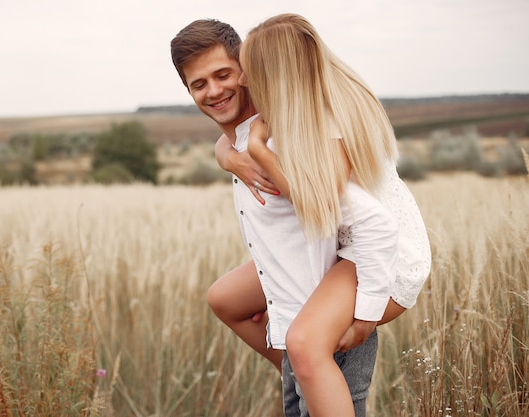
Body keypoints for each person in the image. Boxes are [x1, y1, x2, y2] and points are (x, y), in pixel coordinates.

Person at [170, 15, 430, 417]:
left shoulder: (292, 134)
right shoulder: (251, 132)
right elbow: (230, 140)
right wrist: (229, 156)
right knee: (225, 299)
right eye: (198, 84)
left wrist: (256, 151)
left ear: (250, 73)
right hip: (337, 244)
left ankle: (314, 370)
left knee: (307, 344)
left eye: (225, 74)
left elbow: (341, 212)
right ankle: (309, 376)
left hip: (378, 254)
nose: (217, 90)